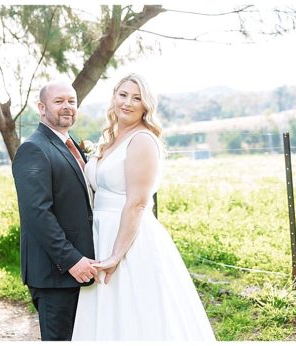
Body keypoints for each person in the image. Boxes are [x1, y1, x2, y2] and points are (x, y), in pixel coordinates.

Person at [72, 74, 215, 340]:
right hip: (101, 234)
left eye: (136, 98)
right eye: (123, 95)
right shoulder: (111, 139)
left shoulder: (142, 140)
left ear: (146, 106)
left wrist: (116, 255)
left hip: (128, 238)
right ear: (114, 97)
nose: (127, 102)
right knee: (105, 314)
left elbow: (137, 203)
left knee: (136, 312)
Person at [12, 82, 96, 341]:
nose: (67, 107)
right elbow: (37, 214)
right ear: (41, 108)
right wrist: (71, 260)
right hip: (55, 274)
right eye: (59, 101)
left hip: (82, 268)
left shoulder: (70, 143)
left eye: (72, 101)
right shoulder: (34, 148)